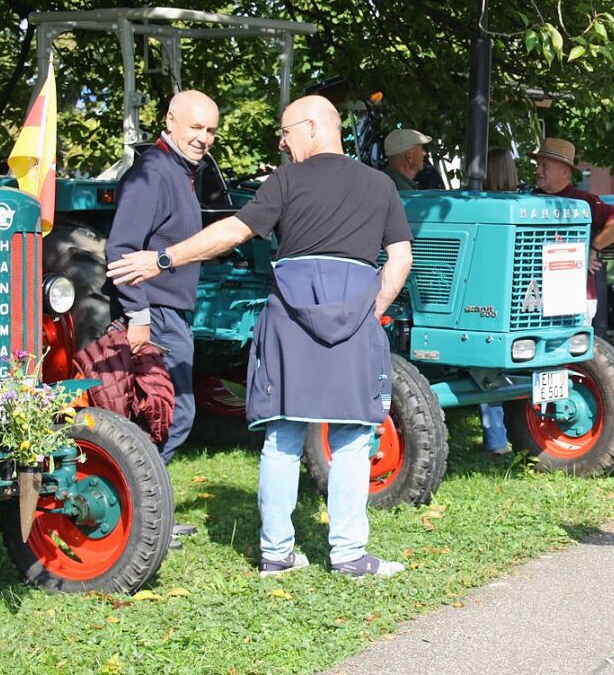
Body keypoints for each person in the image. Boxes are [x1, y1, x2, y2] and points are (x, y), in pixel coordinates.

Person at [107, 95, 414, 578]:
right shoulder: (379, 185)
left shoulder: (286, 181)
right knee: (354, 438)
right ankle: (350, 556)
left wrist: (162, 259)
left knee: (284, 435)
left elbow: (232, 232)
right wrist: (373, 304)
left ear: (312, 128)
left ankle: (276, 554)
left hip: (290, 318)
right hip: (355, 318)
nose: (282, 142)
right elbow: (399, 258)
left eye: (287, 132)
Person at [105, 89, 219, 547]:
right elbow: (120, 249)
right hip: (156, 315)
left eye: (211, 131)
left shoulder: (182, 171)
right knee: (172, 414)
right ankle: (139, 514)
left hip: (171, 313)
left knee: (165, 415)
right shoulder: (153, 170)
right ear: (171, 120)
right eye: (196, 127)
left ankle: (146, 512)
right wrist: (138, 314)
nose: (203, 138)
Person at [532, 137, 614, 335]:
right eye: (538, 165)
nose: (538, 170)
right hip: (535, 298)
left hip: (575, 297)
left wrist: (592, 249)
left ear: (565, 171)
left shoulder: (584, 201)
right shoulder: (529, 200)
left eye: (544, 165)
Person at [479, 147, 520, 454]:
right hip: (521, 301)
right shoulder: (520, 205)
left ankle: (496, 439)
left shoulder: (485, 208)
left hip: (489, 301)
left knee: (486, 373)